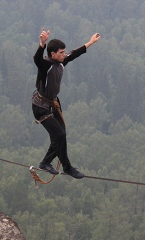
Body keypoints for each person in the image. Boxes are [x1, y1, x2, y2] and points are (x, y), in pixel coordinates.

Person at [32, 28, 101, 179]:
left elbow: (74, 53)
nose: (64, 55)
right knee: (60, 134)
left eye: (64, 52)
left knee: (60, 136)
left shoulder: (62, 61)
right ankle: (60, 165)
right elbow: (37, 59)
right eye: (61, 53)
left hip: (52, 103)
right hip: (40, 107)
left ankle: (54, 164)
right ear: (53, 54)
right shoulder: (46, 65)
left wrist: (90, 42)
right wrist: (42, 43)